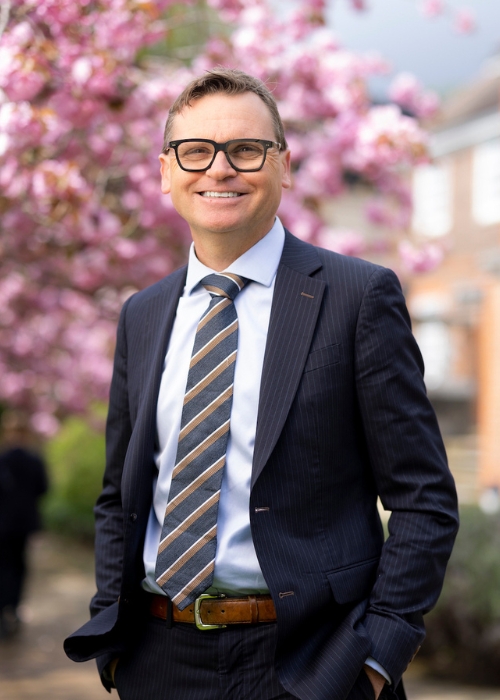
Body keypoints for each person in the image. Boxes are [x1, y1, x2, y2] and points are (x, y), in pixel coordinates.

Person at [64, 68, 459, 700]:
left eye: (246, 150)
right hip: (159, 659)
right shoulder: (143, 313)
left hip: (314, 662)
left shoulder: (358, 297)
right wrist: (114, 640)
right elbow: (119, 494)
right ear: (166, 172)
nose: (219, 169)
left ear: (285, 166)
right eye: (195, 151)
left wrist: (378, 655)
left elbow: (424, 497)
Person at [0, 413, 48, 639]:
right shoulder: (34, 460)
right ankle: (13, 607)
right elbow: (43, 489)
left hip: (3, 523)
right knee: (19, 565)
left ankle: (4, 608)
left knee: (5, 565)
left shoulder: (3, 459)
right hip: (24, 524)